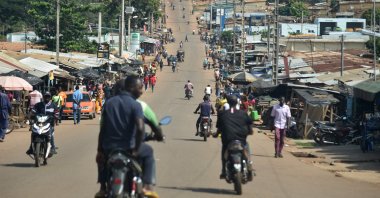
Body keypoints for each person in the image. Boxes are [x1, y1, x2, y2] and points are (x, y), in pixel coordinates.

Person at [96, 76, 162, 198]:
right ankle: (147, 186)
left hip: (109, 148)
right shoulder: (136, 105)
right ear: (131, 88)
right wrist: (136, 149)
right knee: (148, 151)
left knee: (101, 160)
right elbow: (141, 128)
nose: (142, 91)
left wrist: (99, 150)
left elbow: (103, 130)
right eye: (140, 88)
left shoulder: (109, 104)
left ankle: (103, 188)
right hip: (128, 147)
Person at [213, 95, 254, 180]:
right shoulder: (243, 113)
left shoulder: (222, 113)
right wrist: (249, 132)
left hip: (228, 141)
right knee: (246, 146)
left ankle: (224, 170)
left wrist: (216, 134)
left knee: (224, 151)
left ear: (227, 103)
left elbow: (219, 128)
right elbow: (250, 128)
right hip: (241, 140)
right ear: (237, 103)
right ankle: (249, 163)